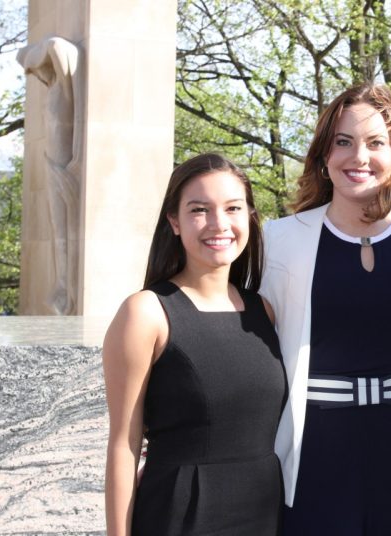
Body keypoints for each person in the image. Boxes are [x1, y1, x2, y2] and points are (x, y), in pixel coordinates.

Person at [259, 83, 391, 534]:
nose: (359, 157)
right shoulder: (278, 241)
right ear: (323, 155)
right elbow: (244, 349)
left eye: (375, 143)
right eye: (343, 142)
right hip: (316, 453)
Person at [103, 153, 286, 535]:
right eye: (199, 209)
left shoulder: (264, 311)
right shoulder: (146, 313)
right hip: (179, 515)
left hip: (264, 514)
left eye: (233, 208)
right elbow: (124, 444)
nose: (219, 224)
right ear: (174, 220)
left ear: (250, 216)